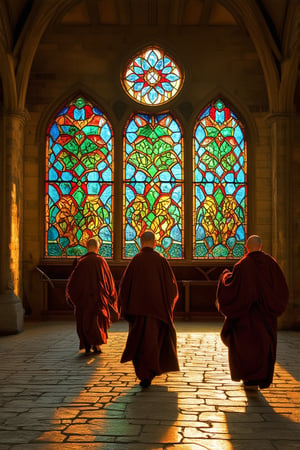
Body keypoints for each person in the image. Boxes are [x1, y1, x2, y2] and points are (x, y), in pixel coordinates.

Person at [216, 235, 289, 390]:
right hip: (264, 317)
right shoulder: (271, 264)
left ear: (246, 248)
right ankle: (261, 377)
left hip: (246, 319)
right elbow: (281, 288)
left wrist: (224, 277)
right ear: (261, 246)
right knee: (263, 346)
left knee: (246, 347)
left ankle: (249, 379)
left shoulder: (242, 265)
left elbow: (232, 289)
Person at [118, 230, 180, 388]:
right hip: (158, 312)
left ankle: (144, 374)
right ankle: (151, 371)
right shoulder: (161, 260)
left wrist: (124, 308)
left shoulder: (135, 261)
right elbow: (172, 288)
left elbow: (124, 287)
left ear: (140, 242)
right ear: (155, 243)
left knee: (140, 343)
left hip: (137, 311)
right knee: (154, 342)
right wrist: (167, 306)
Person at [66, 237, 119, 355]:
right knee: (96, 322)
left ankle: (87, 345)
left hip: (83, 300)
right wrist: (111, 296)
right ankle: (96, 344)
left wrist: (74, 298)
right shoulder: (100, 261)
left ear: (86, 247)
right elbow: (108, 281)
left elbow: (72, 283)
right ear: (97, 247)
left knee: (84, 321)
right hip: (98, 299)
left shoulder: (81, 262)